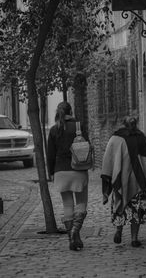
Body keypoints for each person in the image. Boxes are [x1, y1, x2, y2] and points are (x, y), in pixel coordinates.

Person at [101, 116, 146, 247]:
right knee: (137, 210)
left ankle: (119, 231)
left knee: (121, 205)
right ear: (136, 124)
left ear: (123, 124)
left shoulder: (115, 138)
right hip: (138, 182)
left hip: (121, 181)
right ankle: (134, 239)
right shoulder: (142, 138)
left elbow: (108, 160)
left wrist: (107, 182)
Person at [47, 101, 88, 251]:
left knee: (67, 205)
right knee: (81, 202)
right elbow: (88, 145)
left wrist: (51, 172)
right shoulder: (79, 126)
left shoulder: (53, 129)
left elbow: (50, 154)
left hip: (60, 171)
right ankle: (75, 231)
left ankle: (72, 238)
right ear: (71, 111)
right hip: (78, 170)